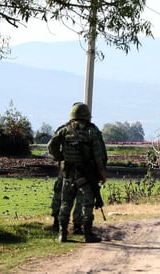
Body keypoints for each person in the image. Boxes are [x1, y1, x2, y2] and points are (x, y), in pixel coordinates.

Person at [47, 102, 107, 243]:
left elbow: (51, 145)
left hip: (67, 173)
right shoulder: (91, 131)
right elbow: (99, 155)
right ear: (86, 115)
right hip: (86, 174)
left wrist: (59, 157)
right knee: (87, 203)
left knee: (65, 203)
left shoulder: (64, 130)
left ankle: (63, 234)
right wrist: (102, 173)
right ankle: (87, 234)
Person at [50, 165, 83, 234]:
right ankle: (77, 226)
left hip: (66, 171)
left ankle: (60, 227)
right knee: (80, 199)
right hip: (81, 172)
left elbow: (56, 155)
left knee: (65, 200)